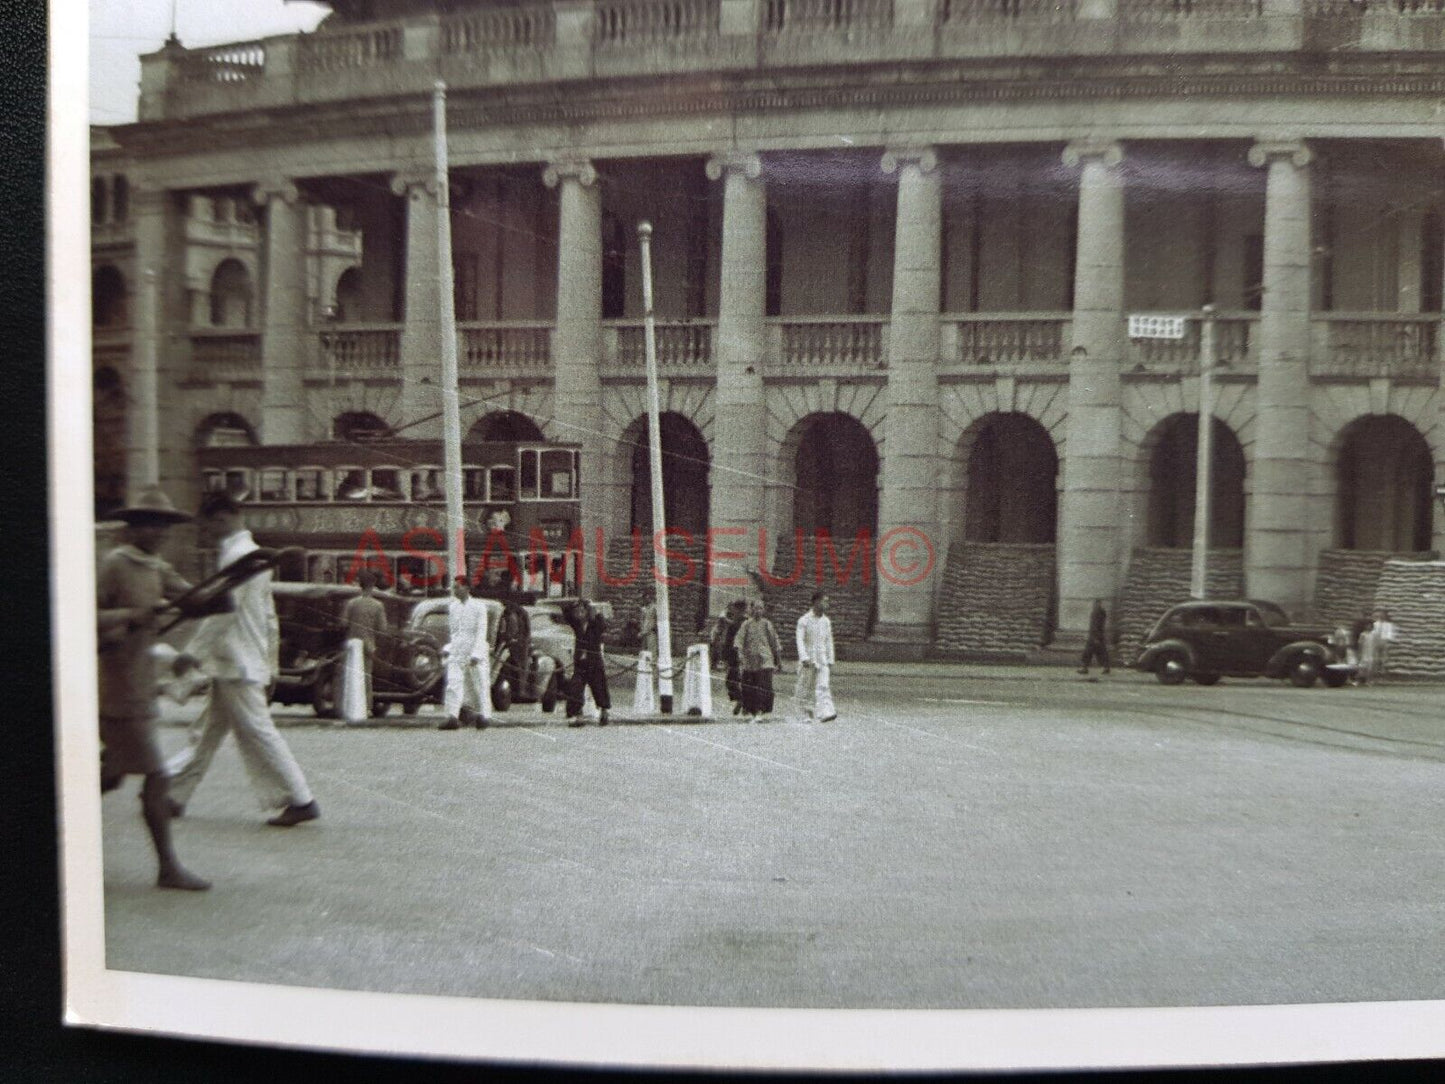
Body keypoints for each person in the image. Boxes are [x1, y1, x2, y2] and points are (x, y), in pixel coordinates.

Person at [167, 492, 320, 827]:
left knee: (259, 731)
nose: (205, 534)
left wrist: (192, 653)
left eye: (206, 526)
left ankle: (300, 798)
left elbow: (223, 614)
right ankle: (175, 796)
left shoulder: (237, 556)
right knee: (206, 733)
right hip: (240, 661)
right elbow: (268, 617)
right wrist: (272, 663)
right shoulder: (253, 556)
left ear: (220, 517)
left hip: (235, 662)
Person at [96, 488, 210, 890]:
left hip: (141, 682)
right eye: (152, 524)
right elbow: (86, 615)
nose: (159, 533)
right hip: (117, 684)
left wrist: (227, 588)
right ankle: (168, 867)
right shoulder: (115, 564)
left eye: (164, 525)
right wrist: (133, 614)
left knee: (108, 776)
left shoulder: (156, 567)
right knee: (158, 776)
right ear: (134, 526)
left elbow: (193, 597)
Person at [439, 576, 489, 730]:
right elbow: (454, 632)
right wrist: (449, 648)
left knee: (479, 683)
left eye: (458, 587)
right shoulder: (453, 607)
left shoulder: (479, 607)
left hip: (474, 648)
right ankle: (452, 716)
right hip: (458, 649)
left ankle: (484, 715)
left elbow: (481, 631)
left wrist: (477, 653)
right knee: (453, 683)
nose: (455, 590)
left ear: (467, 588)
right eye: (453, 587)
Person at [339, 569, 388, 713]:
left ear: (360, 585)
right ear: (372, 585)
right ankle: (366, 707)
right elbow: (382, 628)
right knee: (366, 677)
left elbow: (343, 623)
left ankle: (348, 706)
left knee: (350, 675)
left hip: (351, 643)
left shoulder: (351, 603)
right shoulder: (378, 605)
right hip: (368, 645)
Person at [566, 598, 610, 727]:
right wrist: (573, 603)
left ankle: (604, 711)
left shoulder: (595, 624)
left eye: (581, 611)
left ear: (587, 612)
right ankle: (577, 714)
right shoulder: (577, 625)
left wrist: (596, 612)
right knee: (575, 688)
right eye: (577, 611)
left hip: (594, 662)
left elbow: (603, 626)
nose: (579, 614)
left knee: (599, 687)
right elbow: (567, 615)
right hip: (580, 662)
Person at [736, 600, 784, 719]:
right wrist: (740, 654)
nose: (758, 611)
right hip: (750, 660)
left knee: (764, 684)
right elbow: (739, 641)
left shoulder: (767, 624)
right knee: (749, 685)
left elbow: (774, 642)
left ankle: (761, 710)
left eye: (761, 608)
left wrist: (778, 659)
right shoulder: (746, 624)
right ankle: (749, 709)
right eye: (756, 608)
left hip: (765, 659)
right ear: (751, 610)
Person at [794, 592, 837, 722]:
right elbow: (800, 640)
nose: (826, 604)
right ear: (816, 602)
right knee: (806, 687)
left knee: (823, 685)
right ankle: (804, 714)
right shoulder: (804, 620)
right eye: (824, 601)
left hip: (822, 659)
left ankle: (825, 712)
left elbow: (829, 640)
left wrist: (830, 658)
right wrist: (803, 657)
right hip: (809, 659)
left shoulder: (826, 621)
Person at [710, 599, 748, 715]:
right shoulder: (736, 620)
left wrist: (725, 620)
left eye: (735, 608)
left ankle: (743, 701)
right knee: (734, 680)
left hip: (739, 654)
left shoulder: (743, 621)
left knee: (734, 680)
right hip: (732, 654)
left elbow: (735, 629)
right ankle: (743, 701)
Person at [1357, 606, 1397, 686]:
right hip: (1374, 642)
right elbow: (1373, 633)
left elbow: (1389, 634)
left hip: (1384, 642)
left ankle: (1381, 670)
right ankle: (1367, 677)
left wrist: (1385, 640)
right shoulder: (1375, 624)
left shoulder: (1388, 625)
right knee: (1371, 660)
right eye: (1380, 614)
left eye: (1383, 614)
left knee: (1382, 658)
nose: (1381, 616)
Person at [1079, 599, 1111, 676]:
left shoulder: (1098, 612)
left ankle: (1085, 668)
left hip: (1095, 636)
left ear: (1099, 604)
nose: (1095, 605)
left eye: (1097, 603)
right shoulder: (1098, 612)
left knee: (1090, 652)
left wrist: (1095, 637)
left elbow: (1096, 625)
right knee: (1098, 652)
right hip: (1096, 635)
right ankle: (1105, 668)